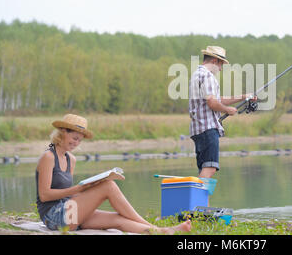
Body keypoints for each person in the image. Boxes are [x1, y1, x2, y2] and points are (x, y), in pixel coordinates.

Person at [36, 114, 192, 234]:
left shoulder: (71, 159)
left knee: (117, 219)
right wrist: (78, 189)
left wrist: (90, 188)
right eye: (74, 138)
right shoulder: (48, 157)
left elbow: (67, 196)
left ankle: (161, 232)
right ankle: (153, 226)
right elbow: (44, 196)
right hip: (53, 217)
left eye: (80, 140)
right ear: (62, 132)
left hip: (69, 211)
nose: (76, 143)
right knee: (109, 186)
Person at [189, 46, 256, 178]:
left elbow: (217, 100)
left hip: (198, 130)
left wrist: (243, 96)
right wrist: (227, 111)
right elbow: (212, 103)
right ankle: (195, 199)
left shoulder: (197, 74)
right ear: (214, 61)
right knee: (210, 168)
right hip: (207, 129)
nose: (221, 69)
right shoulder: (207, 76)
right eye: (221, 65)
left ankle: (201, 199)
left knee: (205, 168)